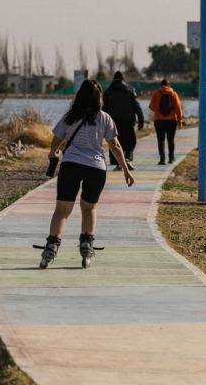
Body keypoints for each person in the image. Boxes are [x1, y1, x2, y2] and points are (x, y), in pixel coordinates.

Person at [38, 79, 134, 269]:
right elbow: (115, 145)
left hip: (71, 165)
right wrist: (125, 169)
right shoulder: (104, 118)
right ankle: (86, 246)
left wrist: (52, 153)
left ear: (79, 96)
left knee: (62, 210)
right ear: (99, 98)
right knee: (89, 208)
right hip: (96, 168)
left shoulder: (70, 116)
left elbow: (56, 139)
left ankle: (51, 246)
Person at [103, 71, 144, 171]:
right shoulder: (130, 90)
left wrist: (103, 124)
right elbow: (137, 106)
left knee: (115, 141)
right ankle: (127, 159)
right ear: (123, 79)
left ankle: (117, 162)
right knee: (130, 141)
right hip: (128, 120)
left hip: (113, 121)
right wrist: (141, 119)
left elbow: (103, 109)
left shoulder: (108, 91)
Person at [149, 78, 183, 165]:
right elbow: (178, 109)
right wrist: (180, 121)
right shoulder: (173, 94)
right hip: (171, 121)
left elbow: (151, 106)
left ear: (161, 85)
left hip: (159, 120)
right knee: (170, 140)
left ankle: (162, 159)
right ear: (169, 85)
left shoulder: (156, 93)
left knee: (161, 140)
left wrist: (158, 110)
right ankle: (171, 158)